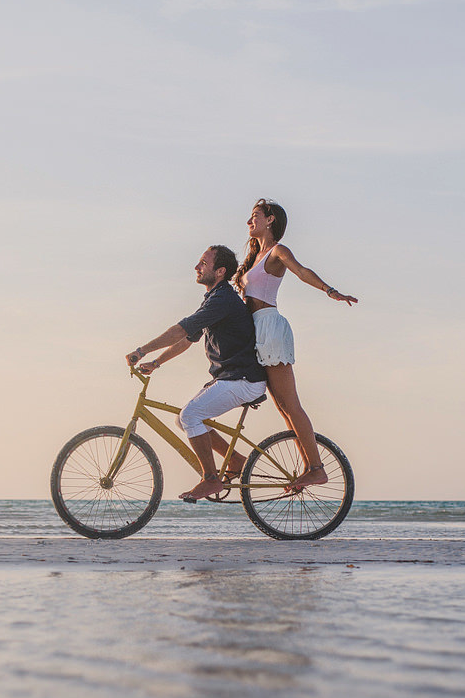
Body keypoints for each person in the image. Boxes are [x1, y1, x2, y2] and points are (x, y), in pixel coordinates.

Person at [125, 245, 266, 502]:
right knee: (184, 420)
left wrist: (141, 350)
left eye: (203, 262)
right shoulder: (215, 299)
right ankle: (235, 460)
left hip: (242, 379)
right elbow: (188, 339)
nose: (197, 267)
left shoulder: (222, 299)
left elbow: (181, 330)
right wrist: (156, 363)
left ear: (220, 271)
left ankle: (211, 478)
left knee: (190, 415)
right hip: (232, 378)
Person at [235, 199, 359, 492]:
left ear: (270, 220)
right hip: (254, 331)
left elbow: (302, 271)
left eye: (255, 216)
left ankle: (316, 468)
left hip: (269, 326)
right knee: (282, 408)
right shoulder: (253, 257)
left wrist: (330, 291)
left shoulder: (277, 251)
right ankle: (308, 467)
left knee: (291, 404)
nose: (249, 222)